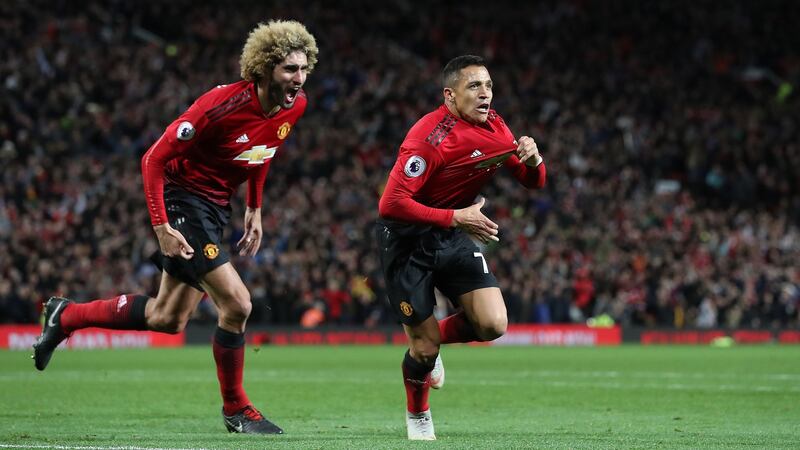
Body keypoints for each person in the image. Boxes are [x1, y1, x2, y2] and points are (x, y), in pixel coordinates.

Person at [32, 20, 319, 435]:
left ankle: (67, 314)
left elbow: (264, 149)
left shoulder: (296, 105)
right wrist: (161, 226)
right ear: (264, 68)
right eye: (289, 69)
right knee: (237, 304)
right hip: (183, 200)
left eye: (303, 67)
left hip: (216, 209)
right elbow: (152, 159)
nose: (298, 78)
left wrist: (254, 206)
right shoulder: (219, 105)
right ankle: (236, 409)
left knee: (167, 318)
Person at [377, 55, 546, 440]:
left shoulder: (497, 127)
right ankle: (418, 415)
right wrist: (456, 218)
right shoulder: (429, 138)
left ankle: (430, 339)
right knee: (423, 351)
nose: (485, 93)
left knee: (492, 324)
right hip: (405, 241)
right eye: (474, 86)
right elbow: (390, 204)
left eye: (488, 85)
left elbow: (532, 182)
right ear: (450, 96)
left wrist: (535, 161)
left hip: (450, 233)